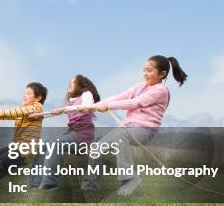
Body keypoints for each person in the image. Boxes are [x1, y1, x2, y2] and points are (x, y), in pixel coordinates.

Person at [80, 55, 188, 196]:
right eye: (144, 70)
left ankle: (131, 179)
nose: (145, 73)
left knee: (121, 136)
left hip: (145, 130)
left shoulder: (161, 91)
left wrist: (108, 106)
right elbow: (119, 97)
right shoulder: (140, 86)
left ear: (162, 74)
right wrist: (93, 107)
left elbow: (136, 103)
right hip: (128, 127)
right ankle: (89, 186)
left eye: (149, 70)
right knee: (96, 147)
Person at [29, 75, 100, 190]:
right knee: (43, 146)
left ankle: (49, 182)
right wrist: (38, 116)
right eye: (69, 82)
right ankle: (35, 183)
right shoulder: (70, 101)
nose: (70, 84)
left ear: (81, 85)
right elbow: (55, 112)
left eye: (74, 82)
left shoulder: (87, 94)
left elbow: (86, 107)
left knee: (54, 144)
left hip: (83, 137)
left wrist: (63, 110)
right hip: (72, 135)